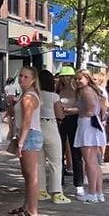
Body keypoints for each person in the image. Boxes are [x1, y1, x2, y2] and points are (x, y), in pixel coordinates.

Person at [9, 67, 43, 216]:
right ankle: (27, 205)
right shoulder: (25, 95)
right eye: (20, 76)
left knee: (31, 174)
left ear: (33, 79)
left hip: (30, 135)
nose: (22, 79)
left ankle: (33, 209)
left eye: (26, 77)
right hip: (27, 134)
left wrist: (21, 142)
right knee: (27, 174)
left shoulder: (29, 97)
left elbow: (27, 121)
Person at [74, 69, 107, 202]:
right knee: (94, 161)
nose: (77, 81)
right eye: (76, 79)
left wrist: (87, 112)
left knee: (89, 161)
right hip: (92, 124)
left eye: (80, 78)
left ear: (87, 79)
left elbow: (91, 106)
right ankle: (98, 193)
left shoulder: (86, 91)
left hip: (87, 124)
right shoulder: (94, 91)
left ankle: (92, 193)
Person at [37, 69, 70, 204]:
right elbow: (60, 115)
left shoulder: (34, 95)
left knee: (39, 162)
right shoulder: (53, 96)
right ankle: (57, 192)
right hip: (50, 125)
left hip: (37, 126)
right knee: (55, 161)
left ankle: (41, 191)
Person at [57, 67, 84, 197]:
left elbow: (82, 108)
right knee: (59, 152)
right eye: (64, 76)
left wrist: (67, 109)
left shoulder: (78, 92)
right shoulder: (58, 90)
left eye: (69, 77)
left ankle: (78, 184)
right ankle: (59, 182)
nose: (66, 79)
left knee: (76, 153)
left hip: (74, 120)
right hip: (61, 120)